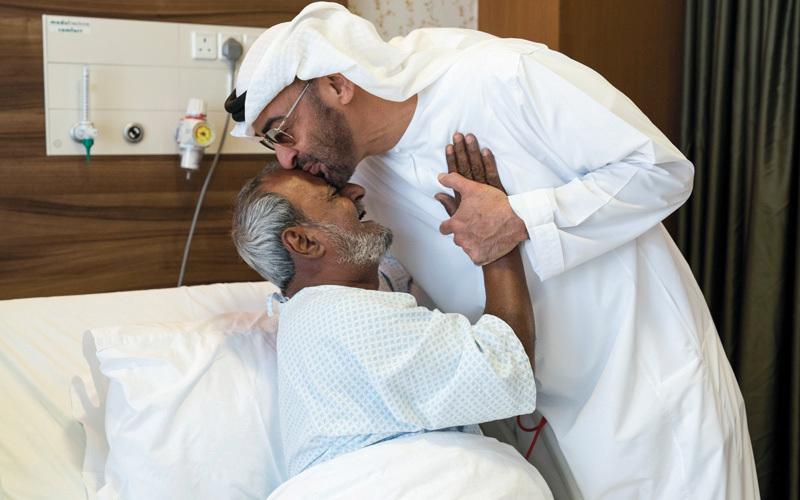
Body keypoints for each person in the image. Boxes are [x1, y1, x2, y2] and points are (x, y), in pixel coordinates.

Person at [224, 3, 758, 498]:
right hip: (532, 421)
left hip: (645, 390)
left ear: (336, 83)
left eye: (283, 131)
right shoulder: (363, 181)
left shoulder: (500, 77)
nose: (286, 159)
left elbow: (662, 170)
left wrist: (519, 219)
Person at [230, 148, 551, 498]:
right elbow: (506, 368)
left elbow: (389, 275)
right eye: (334, 195)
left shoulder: (315, 310)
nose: (356, 190)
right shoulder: (342, 315)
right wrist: (494, 241)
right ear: (304, 242)